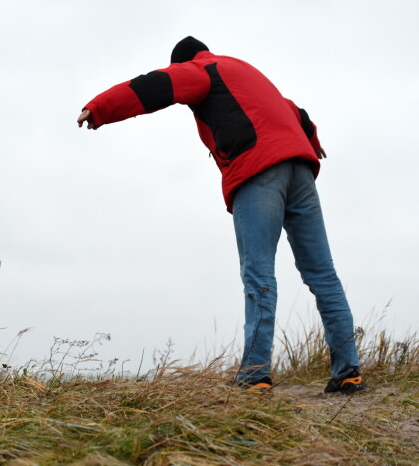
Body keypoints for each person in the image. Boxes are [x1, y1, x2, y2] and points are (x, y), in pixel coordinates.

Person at [77, 36, 365, 394]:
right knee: (323, 274)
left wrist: (99, 108)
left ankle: (255, 374)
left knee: (258, 273)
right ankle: (348, 369)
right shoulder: (242, 69)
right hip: (301, 171)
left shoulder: (199, 70)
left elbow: (155, 85)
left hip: (258, 171)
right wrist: (313, 140)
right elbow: (293, 110)